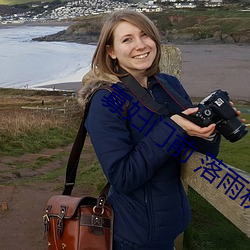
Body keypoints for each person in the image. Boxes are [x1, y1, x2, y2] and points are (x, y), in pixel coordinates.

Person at [78, 10, 239, 250]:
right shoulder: (106, 100)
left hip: (172, 227)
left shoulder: (169, 85)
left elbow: (194, 152)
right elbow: (122, 176)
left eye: (145, 35)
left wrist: (212, 127)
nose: (140, 45)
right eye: (127, 39)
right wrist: (174, 126)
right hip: (134, 236)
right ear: (111, 51)